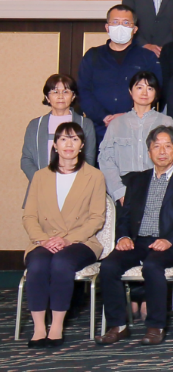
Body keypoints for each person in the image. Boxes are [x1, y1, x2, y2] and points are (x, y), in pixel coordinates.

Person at [95, 126, 173, 346]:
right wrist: (123, 237)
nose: (162, 151)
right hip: (138, 242)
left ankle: (155, 327)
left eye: (168, 146)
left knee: (152, 266)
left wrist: (169, 240)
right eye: (156, 146)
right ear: (149, 151)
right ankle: (117, 326)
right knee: (109, 266)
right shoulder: (136, 180)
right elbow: (124, 216)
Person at [21, 123, 107, 348]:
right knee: (37, 264)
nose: (69, 144)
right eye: (63, 139)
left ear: (82, 145)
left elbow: (96, 218)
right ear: (55, 145)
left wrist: (68, 239)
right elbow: (29, 216)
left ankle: (56, 326)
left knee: (61, 262)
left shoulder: (94, 176)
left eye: (75, 139)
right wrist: (42, 239)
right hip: (45, 239)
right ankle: (39, 327)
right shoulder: (40, 176)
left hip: (81, 241)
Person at [78, 5, 164, 141]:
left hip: (137, 130)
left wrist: (128, 116)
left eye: (126, 23)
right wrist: (104, 117)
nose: (120, 26)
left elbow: (156, 91)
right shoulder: (92, 55)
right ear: (107, 27)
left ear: (135, 29)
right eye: (115, 22)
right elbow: (83, 91)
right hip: (98, 130)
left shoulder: (147, 57)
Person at [98, 71, 173, 202]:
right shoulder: (116, 124)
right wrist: (119, 193)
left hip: (158, 187)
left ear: (156, 93)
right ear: (130, 91)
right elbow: (106, 160)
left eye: (150, 88)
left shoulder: (166, 122)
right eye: (139, 87)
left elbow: (172, 159)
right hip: (125, 187)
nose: (144, 93)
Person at [23, 74, 97, 182]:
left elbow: (89, 159)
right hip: (41, 185)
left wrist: (72, 182)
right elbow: (26, 160)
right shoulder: (35, 125)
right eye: (55, 92)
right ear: (47, 97)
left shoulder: (85, 124)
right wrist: (41, 181)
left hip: (76, 185)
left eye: (66, 91)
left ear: (73, 96)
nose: (60, 96)